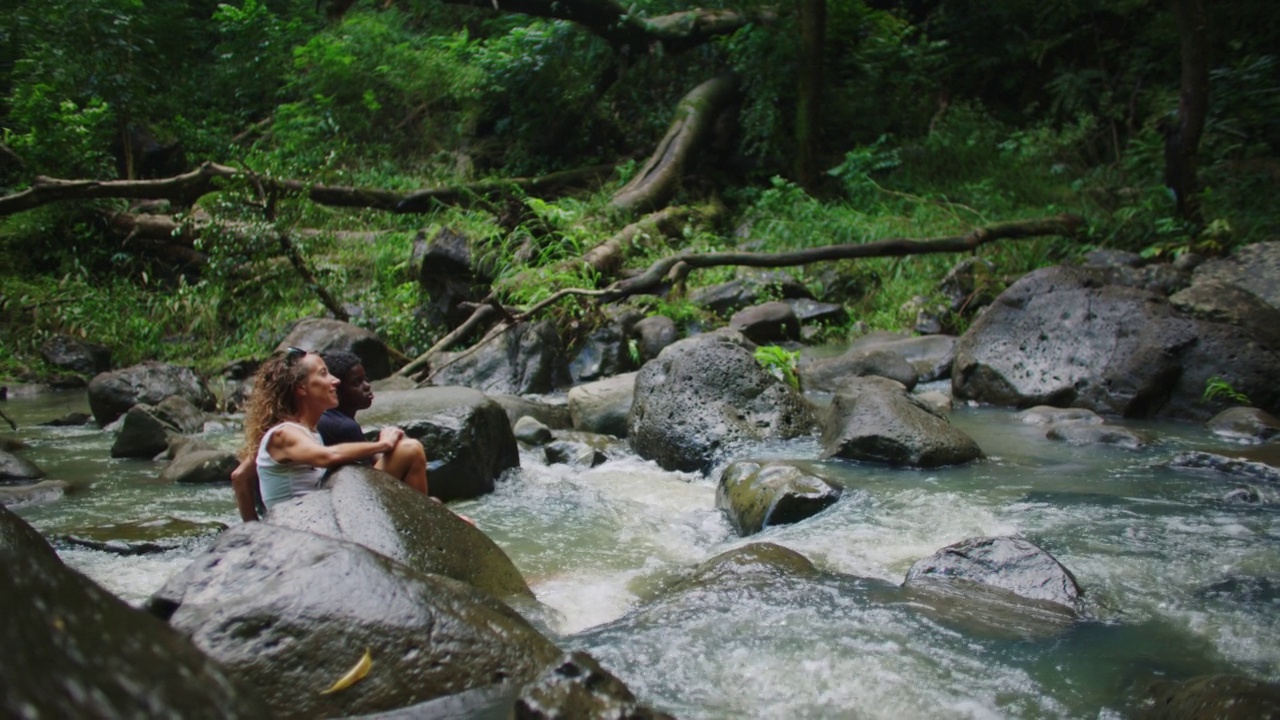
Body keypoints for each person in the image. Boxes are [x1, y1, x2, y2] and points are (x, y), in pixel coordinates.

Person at [230, 346, 410, 521]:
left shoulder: (307, 430)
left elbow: (239, 476)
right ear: (301, 388)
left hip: (316, 520)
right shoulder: (285, 434)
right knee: (409, 450)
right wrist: (383, 444)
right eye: (324, 373)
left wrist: (253, 528)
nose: (335, 381)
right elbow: (328, 456)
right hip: (301, 530)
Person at [316, 350, 428, 495]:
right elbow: (367, 475)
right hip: (354, 498)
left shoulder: (332, 417)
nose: (367, 386)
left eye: (365, 379)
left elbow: (367, 462)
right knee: (411, 449)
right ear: (337, 390)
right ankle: (424, 512)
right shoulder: (343, 426)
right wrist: (386, 446)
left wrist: (385, 447)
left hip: (348, 489)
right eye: (357, 382)